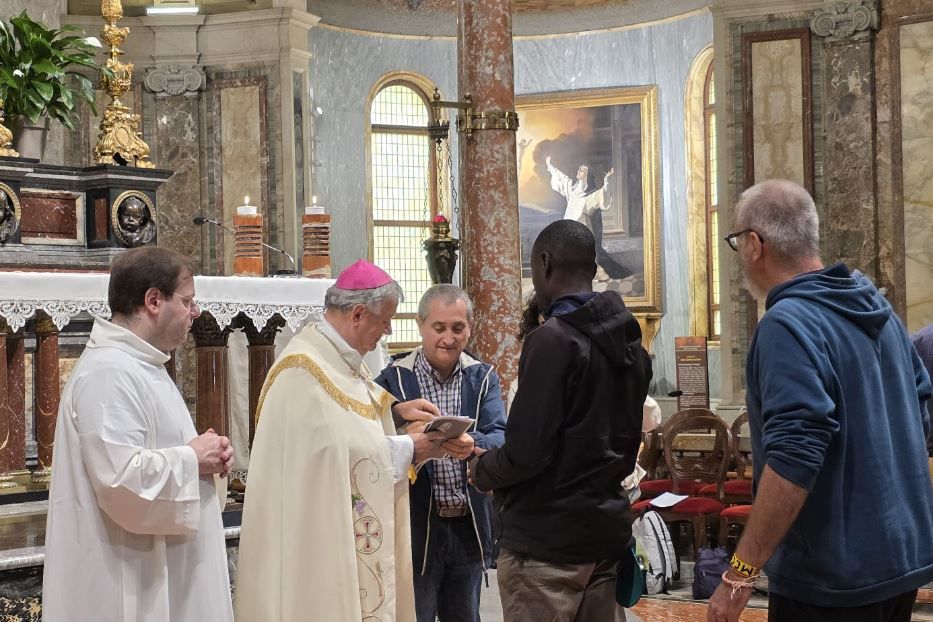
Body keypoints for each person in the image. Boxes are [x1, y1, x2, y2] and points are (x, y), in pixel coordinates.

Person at [707, 180, 933, 622]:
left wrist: (739, 573)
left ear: (755, 245)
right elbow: (923, 413)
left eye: (736, 242)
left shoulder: (787, 325)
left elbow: (795, 454)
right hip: (899, 562)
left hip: (832, 579)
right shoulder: (880, 313)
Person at [235, 260, 455, 622]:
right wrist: (408, 448)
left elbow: (348, 426)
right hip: (316, 549)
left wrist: (397, 414)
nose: (385, 332)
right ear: (357, 314)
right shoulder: (300, 370)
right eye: (384, 321)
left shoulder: (341, 361)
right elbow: (329, 455)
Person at [469, 219, 651, 621]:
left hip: (548, 542)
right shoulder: (631, 342)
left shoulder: (553, 339)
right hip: (603, 534)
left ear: (545, 264)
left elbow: (527, 453)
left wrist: (482, 469)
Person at [42, 246, 235, 622]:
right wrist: (193, 458)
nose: (195, 313)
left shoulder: (141, 363)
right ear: (153, 301)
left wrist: (210, 458)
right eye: (188, 301)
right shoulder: (110, 371)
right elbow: (121, 480)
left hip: (163, 569)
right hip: (129, 578)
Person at [374, 284, 506, 622]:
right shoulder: (393, 379)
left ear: (469, 329)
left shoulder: (483, 377)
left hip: (467, 524)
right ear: (421, 326)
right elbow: (367, 434)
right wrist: (398, 416)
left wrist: (472, 443)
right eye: (439, 327)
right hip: (417, 526)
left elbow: (501, 437)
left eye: (457, 328)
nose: (449, 338)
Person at [545, 155, 632, 280]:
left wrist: (607, 181)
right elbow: (561, 179)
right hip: (568, 226)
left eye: (582, 170)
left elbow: (604, 195)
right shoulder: (572, 189)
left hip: (582, 227)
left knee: (583, 253)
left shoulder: (591, 195)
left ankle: (593, 273)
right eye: (579, 169)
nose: (578, 171)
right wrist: (550, 166)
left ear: (587, 175)